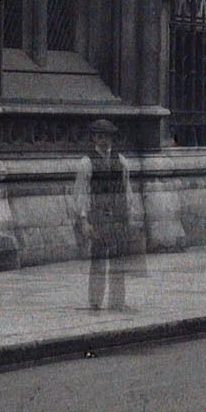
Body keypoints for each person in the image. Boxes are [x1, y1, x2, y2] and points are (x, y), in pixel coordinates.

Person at [69, 117, 141, 312]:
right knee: (98, 260)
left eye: (107, 136)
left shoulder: (121, 161)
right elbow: (81, 192)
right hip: (98, 218)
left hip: (118, 218)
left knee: (119, 259)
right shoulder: (86, 163)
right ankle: (95, 301)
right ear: (93, 138)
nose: (104, 140)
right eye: (100, 136)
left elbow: (127, 189)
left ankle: (118, 301)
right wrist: (84, 220)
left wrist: (130, 215)